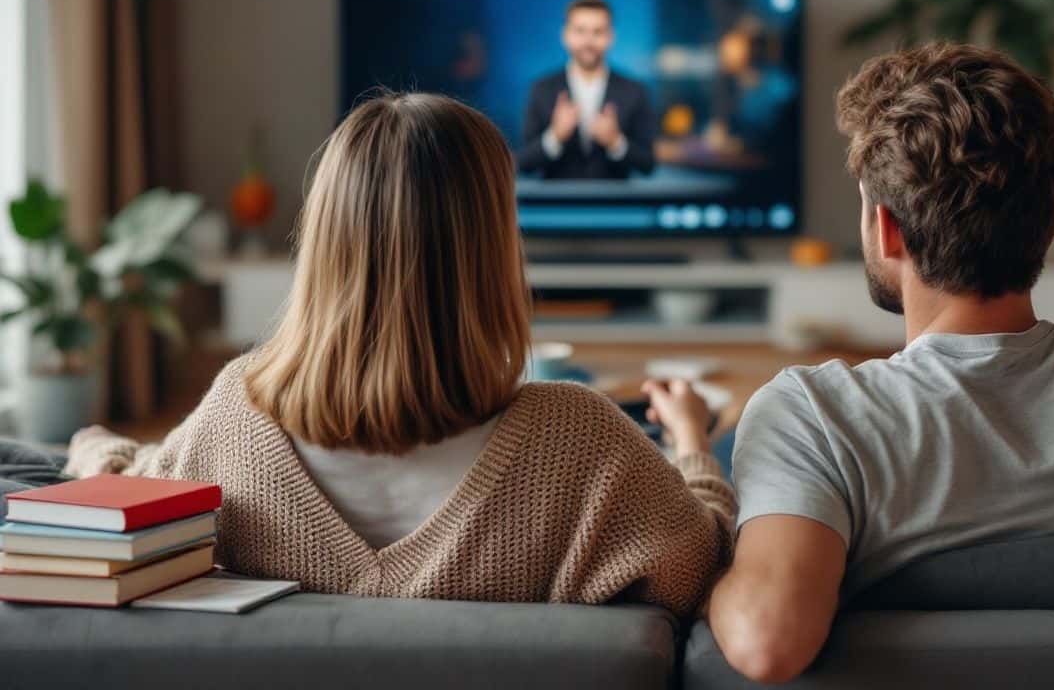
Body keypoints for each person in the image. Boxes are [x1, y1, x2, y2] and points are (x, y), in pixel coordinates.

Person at [60, 92, 732, 617]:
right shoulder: (582, 439)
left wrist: (89, 447)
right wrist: (692, 442)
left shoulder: (235, 412)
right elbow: (706, 564)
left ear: (325, 247)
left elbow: (139, 488)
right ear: (492, 252)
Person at [706, 43, 1054, 682]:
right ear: (1049, 215)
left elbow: (766, 645)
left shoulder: (812, 416)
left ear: (887, 230)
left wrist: (709, 506)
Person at [516, 0, 656, 181]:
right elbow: (524, 164)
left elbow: (648, 165)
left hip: (616, 206)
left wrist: (616, 142)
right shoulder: (541, 89)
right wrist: (555, 136)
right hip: (557, 206)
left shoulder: (634, 91)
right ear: (565, 35)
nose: (588, 40)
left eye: (598, 31)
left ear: (610, 37)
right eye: (580, 31)